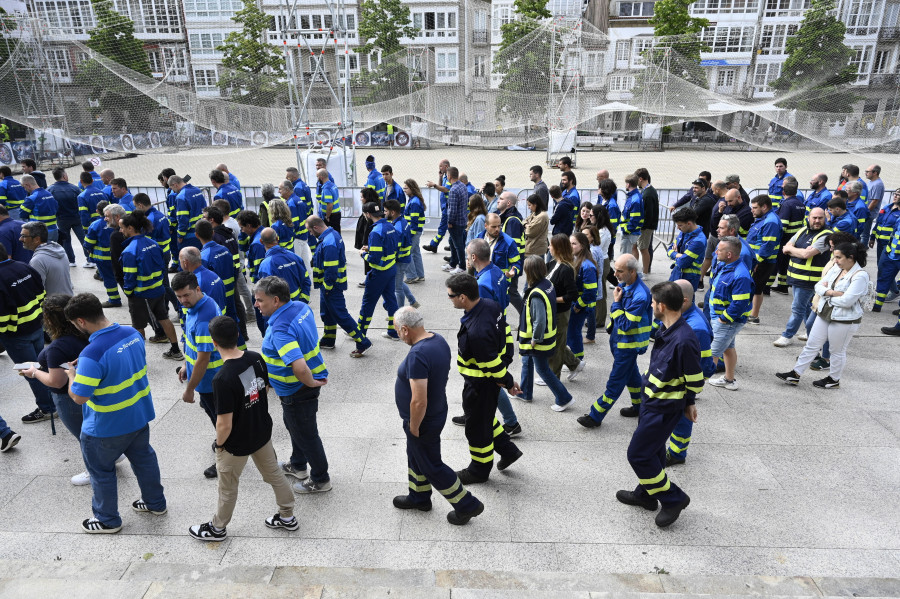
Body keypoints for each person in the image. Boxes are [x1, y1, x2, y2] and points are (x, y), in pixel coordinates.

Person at [188, 315, 298, 541]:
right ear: (238, 335)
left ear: (214, 343)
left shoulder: (222, 378)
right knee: (275, 475)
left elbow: (224, 423)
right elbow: (265, 388)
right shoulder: (256, 358)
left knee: (227, 488)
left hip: (236, 444)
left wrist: (220, 445)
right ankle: (287, 516)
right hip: (261, 432)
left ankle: (217, 529)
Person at [64, 293, 167, 534]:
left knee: (101, 472)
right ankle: (156, 504)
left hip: (105, 427)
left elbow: (80, 397)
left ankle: (107, 520)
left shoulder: (92, 353)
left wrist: (72, 376)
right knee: (144, 459)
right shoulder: (132, 333)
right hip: (138, 414)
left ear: (80, 321)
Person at [615, 281, 700, 528]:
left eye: (653, 303)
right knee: (653, 451)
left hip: (663, 408)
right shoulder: (666, 329)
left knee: (638, 455)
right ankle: (646, 494)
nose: (651, 305)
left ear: (661, 306)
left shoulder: (684, 340)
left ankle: (673, 497)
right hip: (652, 402)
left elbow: (695, 380)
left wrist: (689, 402)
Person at [391, 306, 485, 525]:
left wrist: (414, 426)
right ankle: (419, 497)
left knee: (432, 465)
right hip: (436, 411)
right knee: (416, 456)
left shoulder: (417, 355)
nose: (397, 334)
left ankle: (467, 504)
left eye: (397, 330)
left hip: (423, 420)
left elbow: (418, 400)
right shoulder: (438, 340)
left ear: (405, 329)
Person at [255, 276, 331, 494]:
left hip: (297, 390)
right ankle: (298, 465)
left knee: (306, 434)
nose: (256, 305)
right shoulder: (299, 306)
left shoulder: (281, 329)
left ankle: (320, 478)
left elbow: (298, 366)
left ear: (276, 300)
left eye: (260, 300)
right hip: (300, 386)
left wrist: (310, 382)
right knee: (295, 427)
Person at [445, 272, 523, 484]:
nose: (449, 299)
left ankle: (479, 470)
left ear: (463, 297)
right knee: (485, 417)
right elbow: (506, 333)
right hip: (488, 381)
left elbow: (489, 362)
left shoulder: (476, 330)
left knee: (476, 428)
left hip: (479, 384)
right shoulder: (491, 305)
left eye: (451, 296)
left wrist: (506, 380)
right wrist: (505, 362)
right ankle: (508, 451)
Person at [776, 242, 870, 388]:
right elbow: (818, 286)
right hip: (825, 312)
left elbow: (847, 301)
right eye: (834, 257)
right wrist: (831, 293)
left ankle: (834, 379)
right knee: (811, 345)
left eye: (838, 257)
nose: (835, 260)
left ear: (851, 257)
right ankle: (795, 374)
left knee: (836, 351)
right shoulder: (837, 268)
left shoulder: (860, 276)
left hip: (845, 320)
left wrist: (826, 295)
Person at [20, 294, 91, 483]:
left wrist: (35, 372)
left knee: (84, 436)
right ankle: (113, 457)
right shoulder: (86, 333)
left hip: (69, 399)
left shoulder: (57, 348)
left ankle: (93, 471)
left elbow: (56, 381)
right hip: (90, 391)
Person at [578, 254, 652, 429]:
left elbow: (626, 325)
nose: (615, 274)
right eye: (615, 269)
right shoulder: (625, 284)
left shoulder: (640, 295)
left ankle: (595, 416)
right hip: (620, 342)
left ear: (632, 272)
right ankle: (639, 406)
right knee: (633, 377)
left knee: (615, 382)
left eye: (620, 271)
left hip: (628, 345)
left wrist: (616, 303)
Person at [461, 238, 521, 437]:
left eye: (468, 255)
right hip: (500, 327)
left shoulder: (482, 284)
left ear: (473, 257)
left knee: (491, 378)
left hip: (490, 335)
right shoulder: (496, 272)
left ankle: (511, 422)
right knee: (478, 377)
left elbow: (482, 316)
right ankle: (468, 411)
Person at [171, 272, 224, 479]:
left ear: (198, 289)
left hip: (210, 379)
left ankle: (225, 455)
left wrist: (189, 389)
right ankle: (224, 442)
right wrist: (186, 364)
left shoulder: (204, 318)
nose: (183, 301)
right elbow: (192, 344)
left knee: (219, 419)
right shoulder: (197, 305)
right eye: (179, 297)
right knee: (214, 413)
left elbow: (203, 359)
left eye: (186, 295)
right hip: (204, 377)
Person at [0, 242, 53, 424]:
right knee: (42, 366)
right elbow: (41, 294)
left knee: (31, 372)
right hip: (37, 326)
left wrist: (3, 333)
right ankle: (55, 400)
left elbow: (2, 315)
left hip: (16, 336)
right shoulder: (23, 266)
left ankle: (48, 408)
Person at [665, 279, 715, 466]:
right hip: (680, 373)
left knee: (682, 412)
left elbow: (698, 365)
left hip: (687, 378)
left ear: (684, 300)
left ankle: (678, 453)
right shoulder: (684, 315)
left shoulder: (696, 328)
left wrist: (690, 395)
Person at [306, 215, 372, 357]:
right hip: (328, 286)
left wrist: (327, 287)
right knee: (327, 313)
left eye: (310, 231)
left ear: (316, 227)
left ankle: (362, 341)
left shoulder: (329, 242)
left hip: (331, 286)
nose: (310, 234)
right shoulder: (331, 234)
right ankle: (329, 339)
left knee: (341, 316)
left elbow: (331, 269)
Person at [120, 211, 182, 359]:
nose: (120, 230)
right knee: (164, 318)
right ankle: (176, 350)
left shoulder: (129, 251)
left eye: (122, 228)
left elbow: (129, 277)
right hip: (158, 290)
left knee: (138, 326)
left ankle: (139, 359)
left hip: (141, 295)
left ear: (130, 228)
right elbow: (162, 267)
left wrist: (128, 292)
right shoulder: (152, 243)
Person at [517, 256, 573, 410]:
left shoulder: (536, 294)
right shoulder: (547, 284)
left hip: (538, 341)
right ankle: (525, 393)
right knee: (526, 361)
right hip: (545, 336)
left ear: (529, 272)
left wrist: (535, 339)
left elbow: (539, 320)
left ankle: (564, 398)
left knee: (543, 370)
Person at [773, 207, 832, 347]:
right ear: (809, 218)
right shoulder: (802, 231)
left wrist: (793, 251)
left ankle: (787, 335)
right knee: (806, 307)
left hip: (809, 280)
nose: (817, 221)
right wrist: (798, 251)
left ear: (825, 219)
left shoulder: (826, 236)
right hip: (797, 278)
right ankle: (809, 332)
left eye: (820, 218)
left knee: (797, 308)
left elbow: (806, 255)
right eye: (814, 218)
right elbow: (786, 246)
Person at [707, 237, 753, 391]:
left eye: (719, 250)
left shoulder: (740, 275)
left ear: (729, 254)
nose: (715, 252)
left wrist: (723, 319)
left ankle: (693, 389)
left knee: (711, 354)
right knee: (728, 348)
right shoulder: (724, 264)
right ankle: (729, 379)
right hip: (721, 318)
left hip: (727, 321)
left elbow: (739, 303)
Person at [358, 202, 400, 340]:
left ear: (368, 214)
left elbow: (374, 259)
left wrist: (363, 254)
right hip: (391, 269)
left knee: (368, 304)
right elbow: (390, 247)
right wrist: (370, 248)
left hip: (378, 273)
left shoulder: (375, 232)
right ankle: (393, 332)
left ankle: (360, 333)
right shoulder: (390, 226)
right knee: (391, 301)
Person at [545, 233, 580, 384]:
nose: (548, 248)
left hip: (560, 313)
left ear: (557, 249)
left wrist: (552, 299)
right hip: (552, 311)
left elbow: (572, 294)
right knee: (557, 342)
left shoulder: (566, 269)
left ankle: (554, 378)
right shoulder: (553, 263)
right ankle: (574, 363)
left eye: (551, 245)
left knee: (557, 346)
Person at [746, 195, 783, 324]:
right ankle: (752, 315)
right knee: (756, 288)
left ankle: (754, 316)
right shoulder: (764, 218)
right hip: (758, 260)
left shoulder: (771, 221)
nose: (752, 210)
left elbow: (767, 245)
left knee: (755, 288)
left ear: (765, 207)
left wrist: (756, 262)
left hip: (762, 262)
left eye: (755, 208)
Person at [566, 231, 598, 367]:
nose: (570, 246)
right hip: (575, 304)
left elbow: (590, 292)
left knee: (574, 333)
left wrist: (578, 306)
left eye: (574, 244)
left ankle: (577, 360)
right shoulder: (575, 259)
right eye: (569, 243)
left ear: (583, 246)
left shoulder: (587, 266)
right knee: (571, 332)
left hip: (580, 306)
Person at [771, 177, 806, 294]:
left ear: (783, 192)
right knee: (785, 262)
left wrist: (776, 237)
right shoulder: (801, 204)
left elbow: (783, 224)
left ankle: (779, 286)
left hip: (785, 238)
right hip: (795, 237)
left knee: (780, 262)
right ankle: (783, 285)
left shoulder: (786, 204)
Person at [84, 200, 121, 307]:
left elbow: (88, 243)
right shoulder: (118, 222)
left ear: (97, 211)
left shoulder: (95, 225)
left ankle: (114, 299)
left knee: (108, 278)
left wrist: (88, 248)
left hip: (103, 258)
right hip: (118, 256)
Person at [21, 221, 73, 295]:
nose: (20, 239)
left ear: (36, 239)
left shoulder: (38, 260)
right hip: (67, 300)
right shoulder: (59, 249)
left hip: (53, 305)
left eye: (24, 236)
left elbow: (36, 290)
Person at [48, 167, 85, 266]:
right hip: (77, 218)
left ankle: (71, 261)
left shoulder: (50, 190)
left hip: (61, 219)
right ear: (64, 176)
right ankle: (90, 260)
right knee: (83, 239)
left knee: (66, 241)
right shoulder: (75, 188)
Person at [586, 208, 614, 338]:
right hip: (601, 260)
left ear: (598, 216)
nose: (589, 217)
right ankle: (596, 317)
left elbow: (596, 246)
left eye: (591, 215)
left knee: (600, 291)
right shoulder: (599, 228)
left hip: (602, 261)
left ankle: (600, 320)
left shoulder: (602, 231)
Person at [498, 191, 526, 314]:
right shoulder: (506, 218)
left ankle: (527, 317)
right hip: (507, 266)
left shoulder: (512, 221)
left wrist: (513, 269)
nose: (498, 200)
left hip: (510, 267)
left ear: (508, 203)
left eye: (501, 198)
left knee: (512, 293)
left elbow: (512, 247)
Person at [386, 199, 417, 308]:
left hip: (400, 260)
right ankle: (413, 301)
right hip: (404, 259)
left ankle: (398, 313)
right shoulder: (402, 222)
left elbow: (395, 248)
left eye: (386, 211)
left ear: (392, 212)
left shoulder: (397, 228)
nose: (384, 213)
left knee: (397, 288)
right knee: (398, 282)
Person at [666, 208, 706, 291]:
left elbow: (683, 262)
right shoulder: (684, 232)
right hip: (677, 272)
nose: (678, 228)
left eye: (680, 225)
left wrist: (674, 254)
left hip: (688, 277)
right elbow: (669, 249)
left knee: (685, 302)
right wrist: (678, 255)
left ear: (689, 223)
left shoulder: (698, 241)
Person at [170, 175, 206, 252]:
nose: (173, 191)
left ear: (175, 185)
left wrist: (180, 236)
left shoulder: (181, 197)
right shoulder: (197, 190)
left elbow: (183, 219)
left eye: (172, 188)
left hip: (189, 235)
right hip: (203, 230)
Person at [20, 174, 59, 243]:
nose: (24, 189)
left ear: (27, 185)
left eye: (23, 187)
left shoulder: (31, 198)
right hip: (53, 230)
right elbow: (56, 208)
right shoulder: (49, 194)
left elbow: (22, 214)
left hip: (40, 232)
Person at [423, 159, 451, 253]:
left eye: (440, 166)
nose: (439, 168)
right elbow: (441, 187)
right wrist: (440, 177)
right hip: (444, 207)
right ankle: (452, 245)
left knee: (443, 228)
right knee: (448, 228)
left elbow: (445, 189)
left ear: (446, 167)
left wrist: (434, 185)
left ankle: (433, 245)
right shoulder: (445, 177)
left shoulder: (450, 178)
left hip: (448, 208)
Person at [444, 167, 468, 274]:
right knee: (452, 242)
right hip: (462, 220)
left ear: (449, 176)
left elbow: (452, 209)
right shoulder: (463, 186)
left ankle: (462, 266)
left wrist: (450, 222)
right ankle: (453, 263)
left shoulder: (453, 190)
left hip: (456, 223)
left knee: (458, 245)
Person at [635, 167, 658, 274]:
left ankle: (645, 272)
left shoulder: (648, 194)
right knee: (635, 246)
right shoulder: (647, 191)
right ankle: (635, 269)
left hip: (646, 227)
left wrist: (642, 227)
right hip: (644, 226)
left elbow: (649, 214)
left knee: (644, 249)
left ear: (640, 179)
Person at [402, 179, 426, 283]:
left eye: (406, 188)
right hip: (416, 231)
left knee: (406, 252)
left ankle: (411, 276)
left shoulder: (414, 202)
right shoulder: (414, 200)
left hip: (413, 232)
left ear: (412, 188)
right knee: (415, 252)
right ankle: (420, 275)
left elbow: (414, 221)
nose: (404, 190)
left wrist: (409, 235)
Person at [619, 174, 644, 256]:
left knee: (624, 258)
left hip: (629, 233)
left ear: (628, 184)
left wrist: (626, 229)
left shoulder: (635, 199)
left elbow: (635, 219)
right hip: (629, 232)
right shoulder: (633, 196)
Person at [862, 165, 884, 246]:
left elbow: (875, 201)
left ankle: (862, 253)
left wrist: (865, 213)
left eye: (867, 172)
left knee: (864, 235)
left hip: (868, 214)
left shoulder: (877, 184)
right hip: (866, 212)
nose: (865, 173)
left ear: (875, 173)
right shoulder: (871, 182)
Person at [551, 171, 579, 237]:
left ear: (571, 181)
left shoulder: (573, 196)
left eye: (564, 180)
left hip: (565, 229)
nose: (562, 182)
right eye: (562, 180)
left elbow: (572, 213)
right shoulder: (564, 192)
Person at [524, 193, 549, 259]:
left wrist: (527, 226)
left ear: (535, 204)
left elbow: (530, 231)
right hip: (532, 247)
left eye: (529, 205)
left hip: (536, 249)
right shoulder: (535, 213)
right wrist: (526, 225)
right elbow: (524, 221)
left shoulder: (542, 216)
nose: (528, 207)